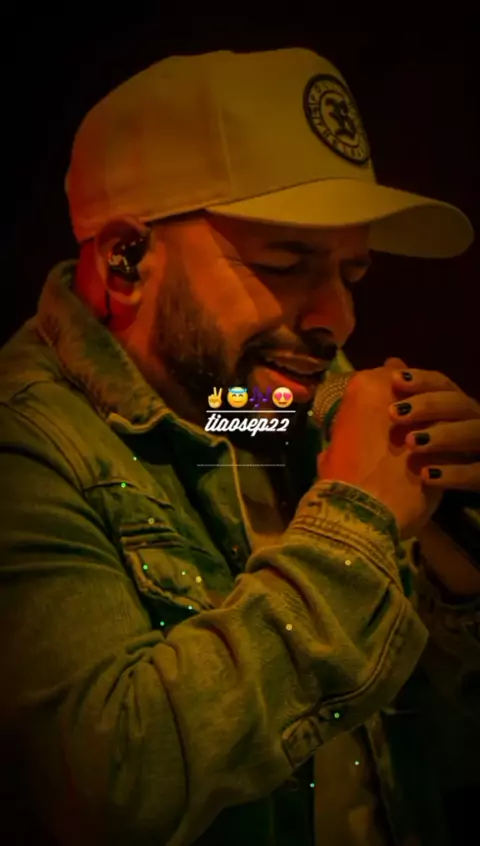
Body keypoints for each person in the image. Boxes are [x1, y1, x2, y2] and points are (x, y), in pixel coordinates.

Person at [0, 47, 479, 846]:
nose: (337, 321)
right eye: (286, 264)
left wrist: (458, 585)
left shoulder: (249, 405)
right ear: (124, 261)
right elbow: (110, 787)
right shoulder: (27, 445)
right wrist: (355, 527)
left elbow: (442, 754)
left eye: (352, 274)